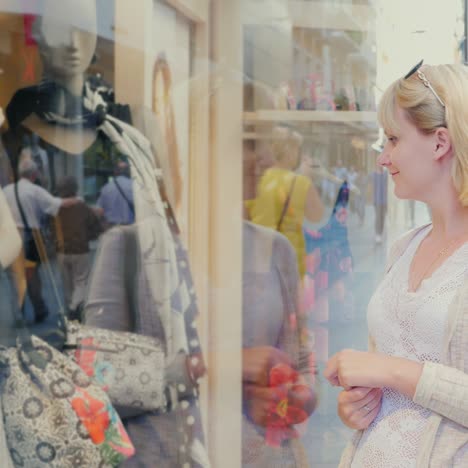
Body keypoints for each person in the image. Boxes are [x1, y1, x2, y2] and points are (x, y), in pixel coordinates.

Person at [324, 62, 468, 467]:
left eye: (392, 139)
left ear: (440, 143)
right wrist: (358, 408)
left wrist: (388, 371)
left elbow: (389, 368)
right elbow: (383, 380)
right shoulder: (406, 247)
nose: (383, 159)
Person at [242, 221, 317, 467]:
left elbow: (300, 352)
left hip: (272, 457)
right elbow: (122, 379)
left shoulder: (274, 246)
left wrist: (302, 394)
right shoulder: (134, 247)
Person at [3, 159, 77, 322]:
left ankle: (18, 313)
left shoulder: (6, 191)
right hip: (29, 238)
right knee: (32, 276)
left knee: (14, 276)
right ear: (34, 174)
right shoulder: (35, 191)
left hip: (8, 238)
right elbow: (58, 204)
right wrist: (78, 201)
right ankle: (39, 309)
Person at [247, 126, 324, 277]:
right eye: (296, 150)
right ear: (289, 152)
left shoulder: (255, 179)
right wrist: (307, 176)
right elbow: (317, 216)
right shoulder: (300, 182)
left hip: (257, 260)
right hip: (289, 262)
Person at [55, 175, 102, 318]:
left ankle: (70, 308)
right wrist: (88, 237)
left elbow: (50, 228)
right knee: (81, 281)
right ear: (75, 189)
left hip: (62, 251)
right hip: (80, 249)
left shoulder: (56, 207)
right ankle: (74, 307)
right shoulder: (82, 207)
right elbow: (95, 225)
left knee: (67, 284)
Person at [97, 160, 135, 226]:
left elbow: (99, 210)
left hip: (111, 227)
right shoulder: (134, 186)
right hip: (129, 227)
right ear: (129, 171)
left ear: (115, 172)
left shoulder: (105, 188)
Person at [370, 153, 388, 244]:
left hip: (384, 200)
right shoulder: (373, 174)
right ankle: (377, 234)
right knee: (378, 217)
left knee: (382, 217)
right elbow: (371, 187)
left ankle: (380, 233)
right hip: (377, 200)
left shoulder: (386, 175)